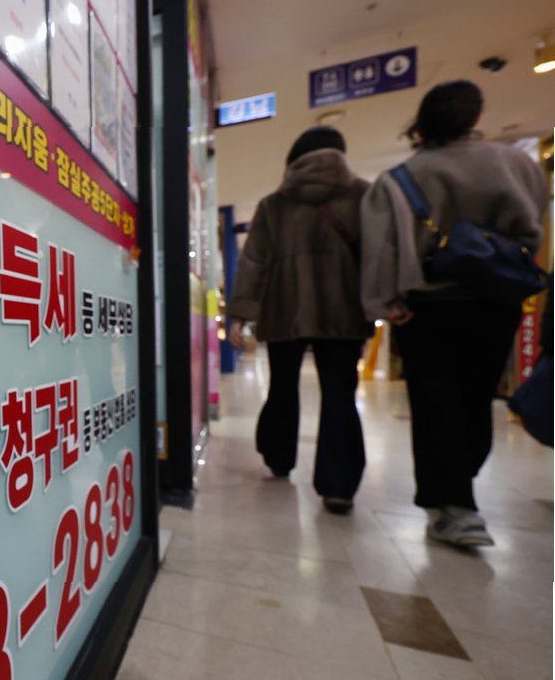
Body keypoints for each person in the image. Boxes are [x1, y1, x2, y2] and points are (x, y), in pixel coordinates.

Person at [361, 80, 547, 547]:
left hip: (429, 303)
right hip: (497, 299)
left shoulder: (401, 178)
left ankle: (455, 507)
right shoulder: (518, 165)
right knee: (476, 397)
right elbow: (533, 229)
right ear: (475, 116)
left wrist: (385, 305)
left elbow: (382, 251)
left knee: (434, 401)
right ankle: (459, 490)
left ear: (421, 124)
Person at [230, 126, 373, 514]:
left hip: (284, 311)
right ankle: (338, 486)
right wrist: (382, 303)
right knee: (340, 392)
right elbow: (377, 256)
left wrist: (240, 315)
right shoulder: (362, 196)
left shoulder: (274, 205)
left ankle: (279, 457)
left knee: (282, 385)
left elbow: (254, 263)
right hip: (343, 312)